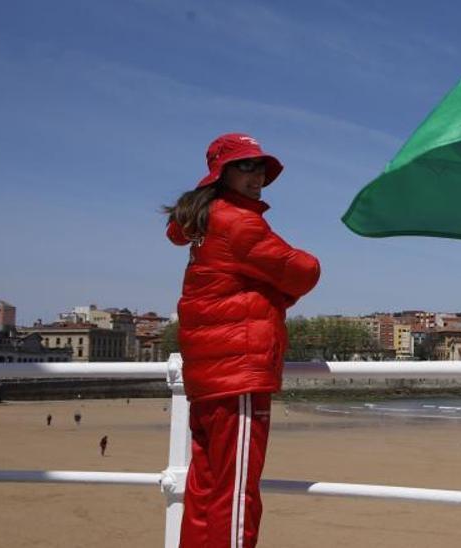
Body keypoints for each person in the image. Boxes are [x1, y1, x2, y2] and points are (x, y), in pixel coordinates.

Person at [164, 133, 321, 548]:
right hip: (238, 373)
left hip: (207, 376)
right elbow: (304, 270)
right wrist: (278, 294)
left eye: (260, 168)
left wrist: (269, 290)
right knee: (236, 493)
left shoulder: (204, 222)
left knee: (205, 486)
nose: (257, 177)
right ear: (222, 174)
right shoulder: (238, 221)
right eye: (245, 166)